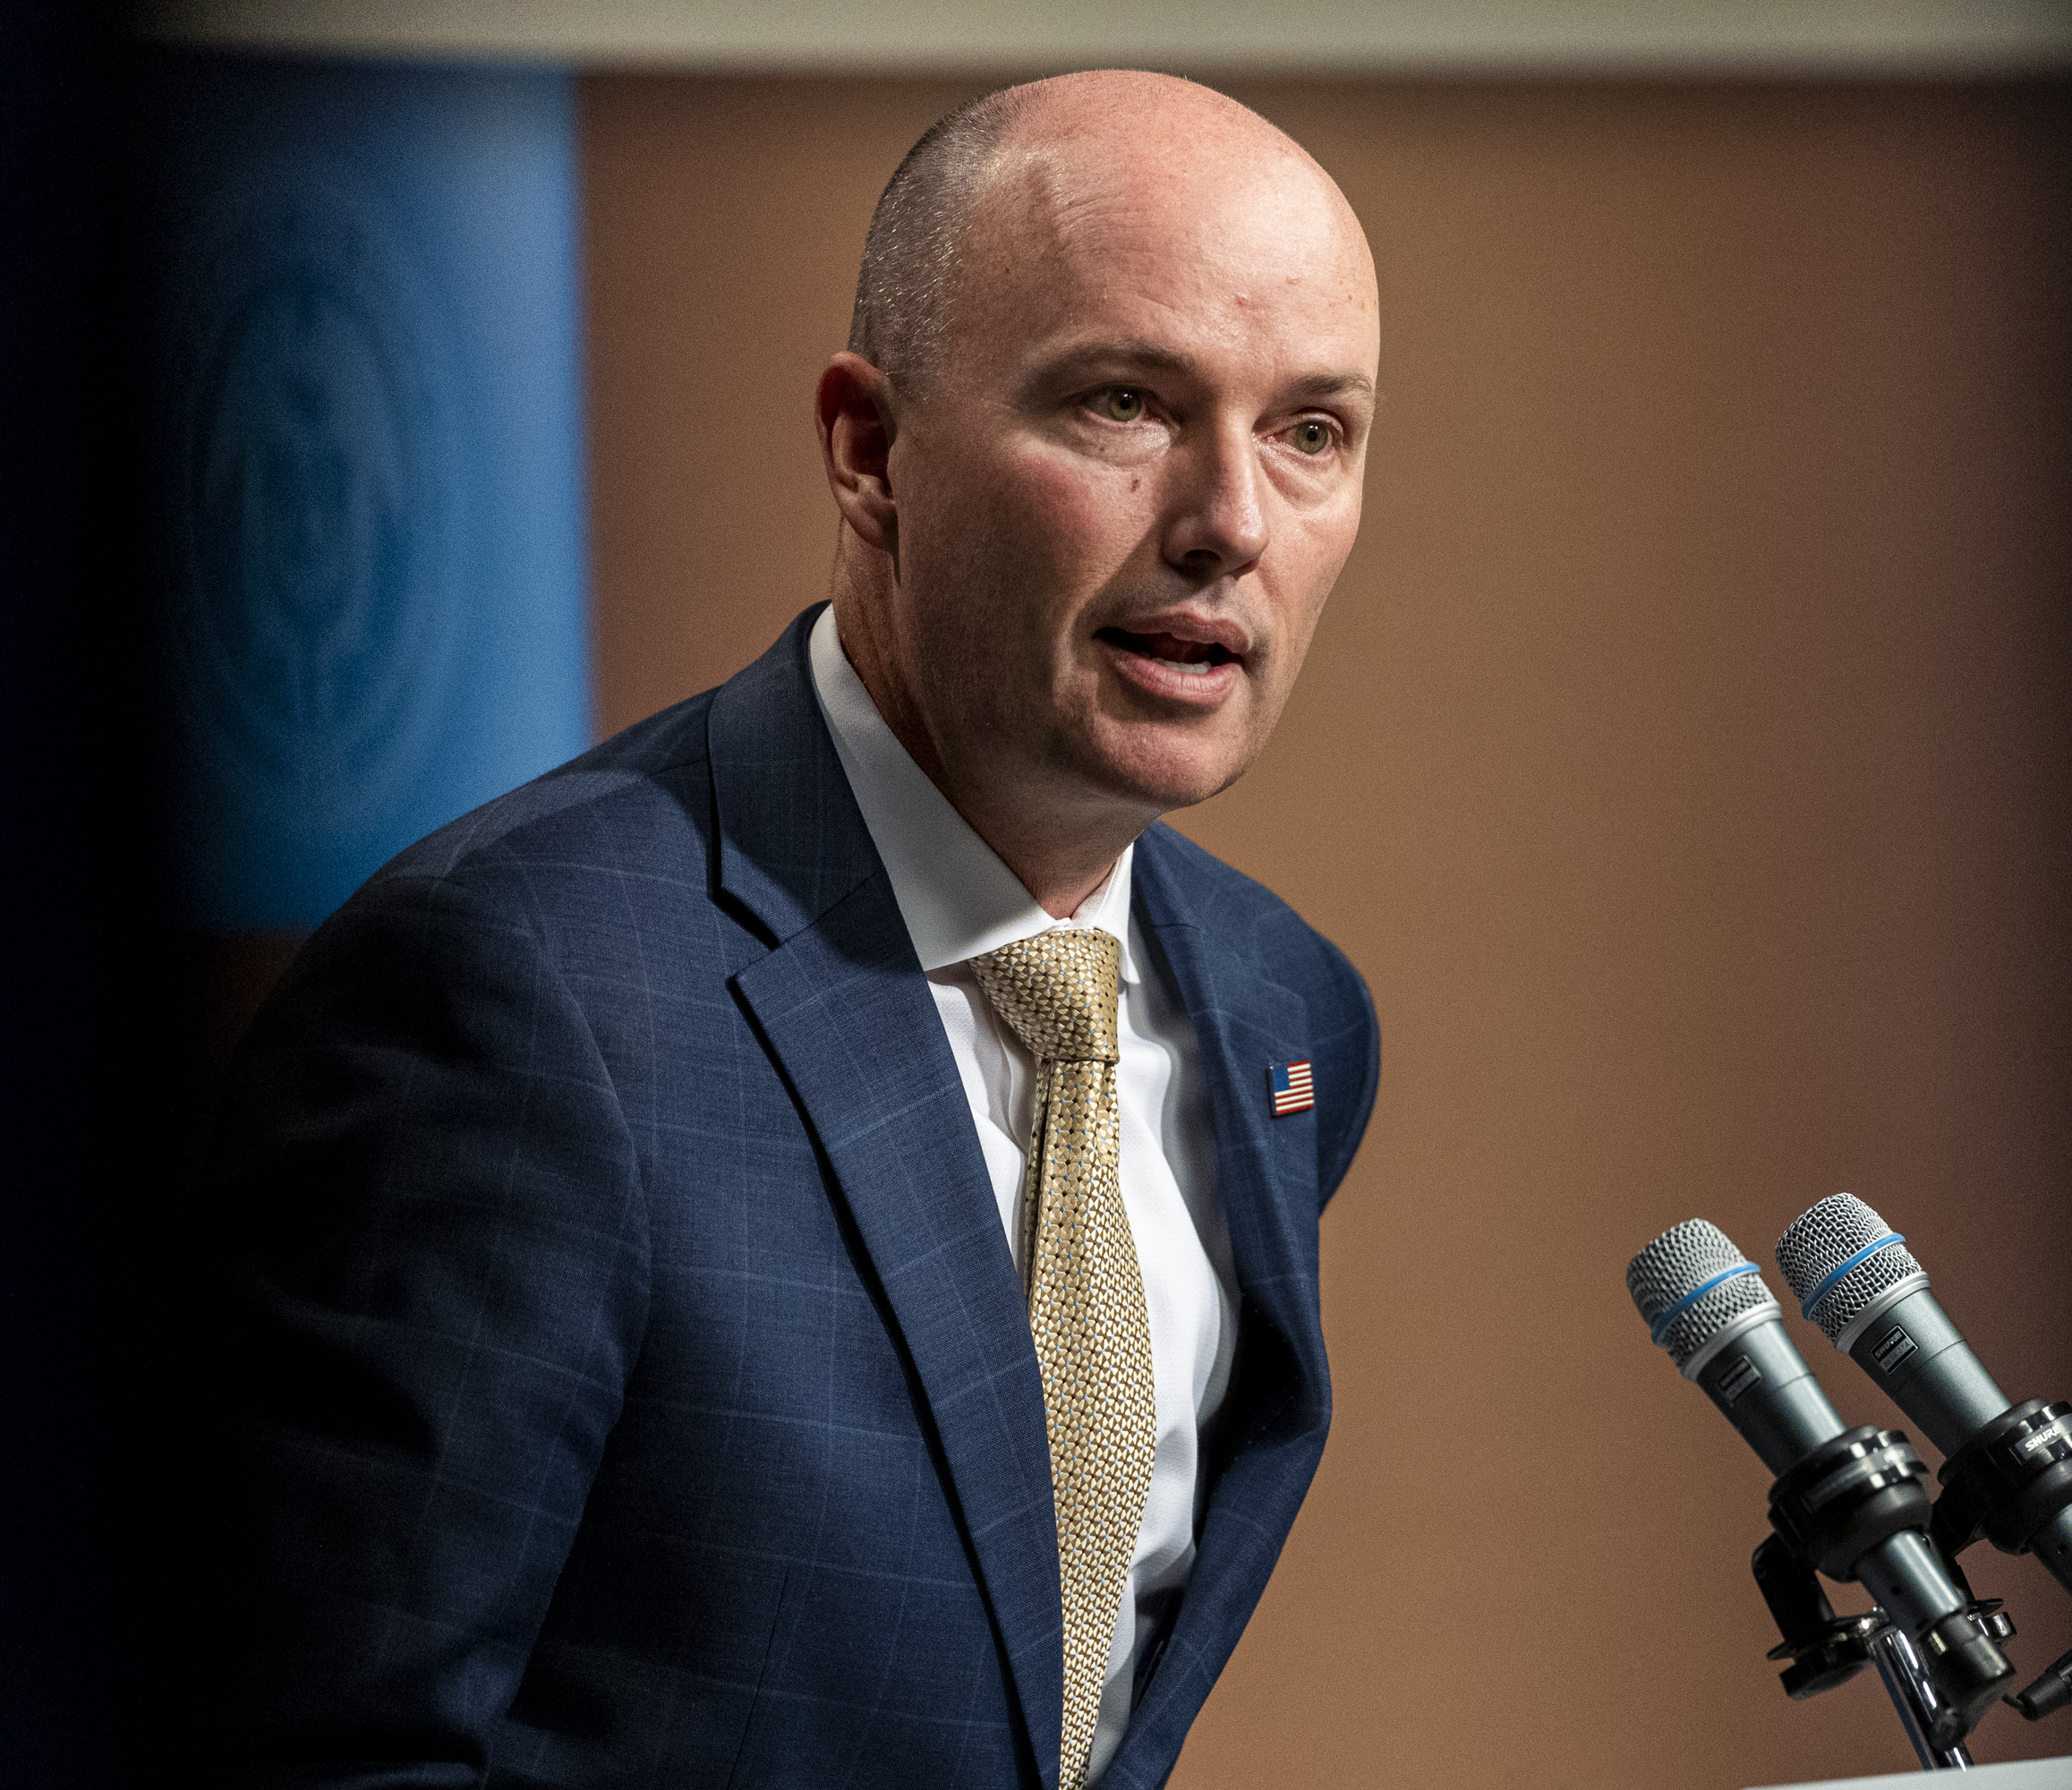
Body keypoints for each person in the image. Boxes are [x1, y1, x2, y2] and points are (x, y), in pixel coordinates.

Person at [193, 71, 1382, 1789]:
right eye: (1127, 404)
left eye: (1311, 432)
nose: (1232, 524)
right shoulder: (514, 998)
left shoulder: (1287, 1015)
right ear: (869, 449)